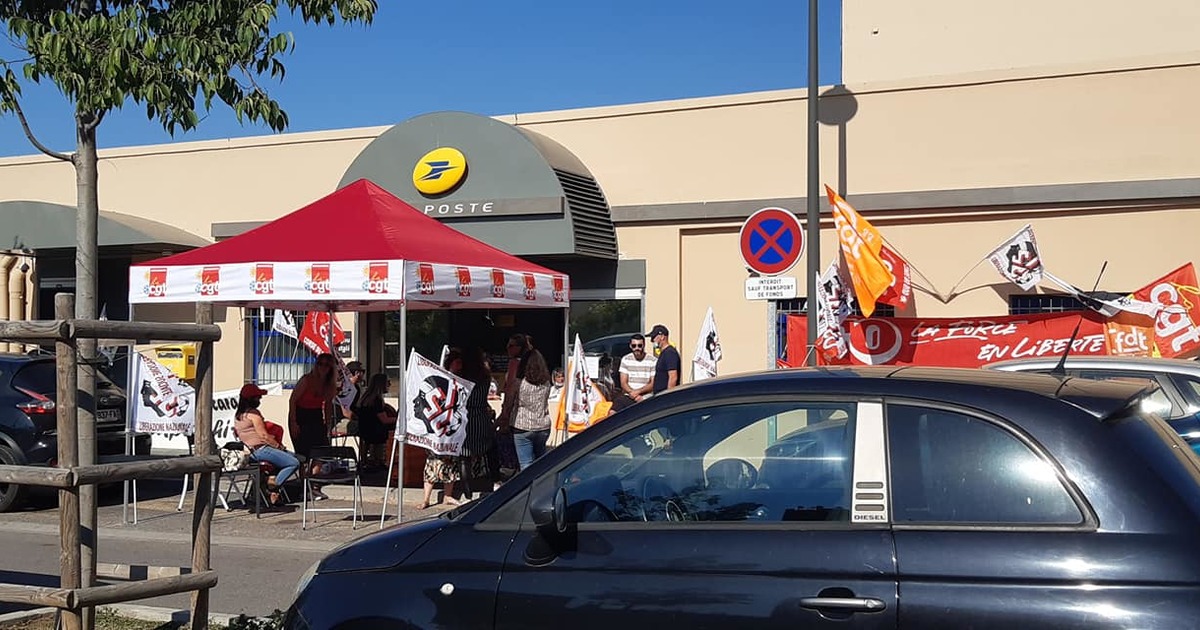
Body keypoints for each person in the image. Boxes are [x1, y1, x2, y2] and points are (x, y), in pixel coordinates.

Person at [234, 383, 299, 507]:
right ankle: (271, 484)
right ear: (251, 399)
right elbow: (264, 436)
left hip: (250, 451)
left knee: (286, 460)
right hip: (261, 450)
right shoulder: (254, 414)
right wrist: (280, 447)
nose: (260, 399)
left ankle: (271, 491)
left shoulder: (238, 415)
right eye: (257, 397)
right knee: (294, 462)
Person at [289, 352, 338, 500]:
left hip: (316, 416)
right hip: (300, 415)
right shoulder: (307, 380)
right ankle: (305, 487)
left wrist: (329, 425)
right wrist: (293, 422)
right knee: (303, 455)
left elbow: (328, 405)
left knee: (321, 452)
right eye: (320, 364)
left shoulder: (329, 384)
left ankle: (313, 484)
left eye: (326, 365)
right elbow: (293, 400)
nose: (322, 367)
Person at [420, 349, 464, 509]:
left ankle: (447, 495)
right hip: (438, 424)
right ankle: (426, 498)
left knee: (450, 461)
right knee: (432, 461)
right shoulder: (441, 378)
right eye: (457, 362)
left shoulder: (461, 381)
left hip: (452, 426)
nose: (459, 366)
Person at [456, 347, 499, 497]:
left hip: (465, 417)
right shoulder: (485, 376)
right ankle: (492, 483)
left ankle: (467, 492)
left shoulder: (460, 376)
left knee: (464, 457)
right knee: (487, 450)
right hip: (481, 416)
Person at [509, 347, 553, 471]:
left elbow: (509, 403)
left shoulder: (518, 383)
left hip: (522, 425)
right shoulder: (547, 383)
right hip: (543, 425)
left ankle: (528, 488)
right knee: (541, 461)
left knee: (525, 463)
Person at [355, 373, 396, 470]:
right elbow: (384, 420)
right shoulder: (376, 400)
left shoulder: (364, 399)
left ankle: (368, 459)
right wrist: (398, 419)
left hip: (364, 431)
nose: (389, 385)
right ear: (382, 384)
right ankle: (381, 459)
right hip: (376, 433)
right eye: (388, 382)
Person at [618, 333, 657, 410]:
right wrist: (633, 394)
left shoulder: (653, 360)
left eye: (639, 345)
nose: (637, 348)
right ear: (630, 346)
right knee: (612, 412)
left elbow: (653, 383)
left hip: (646, 396)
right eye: (634, 346)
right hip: (629, 395)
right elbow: (623, 383)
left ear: (644, 345)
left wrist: (638, 392)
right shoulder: (625, 359)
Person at [648, 324, 681, 395]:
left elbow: (673, 377)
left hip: (664, 397)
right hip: (658, 395)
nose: (652, 340)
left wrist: (668, 396)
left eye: (654, 337)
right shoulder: (663, 353)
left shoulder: (670, 353)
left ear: (662, 337)